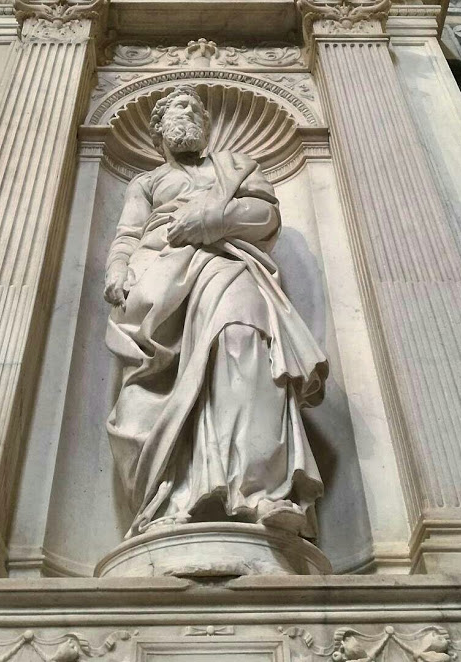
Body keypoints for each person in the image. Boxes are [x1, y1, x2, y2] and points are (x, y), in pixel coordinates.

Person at [104, 85, 328, 539]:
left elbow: (266, 215)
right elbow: (128, 235)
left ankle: (259, 490)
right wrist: (118, 270)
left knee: (244, 343)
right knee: (156, 386)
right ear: (158, 129)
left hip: (227, 262)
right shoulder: (146, 183)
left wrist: (212, 220)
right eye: (179, 107)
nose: (189, 112)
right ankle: (174, 496)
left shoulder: (234, 167)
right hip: (159, 277)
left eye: (195, 109)